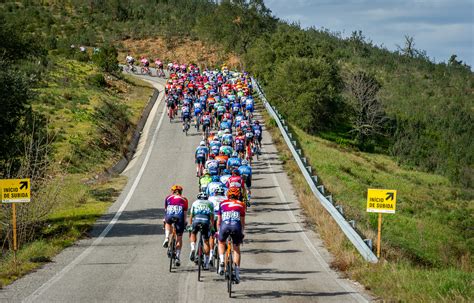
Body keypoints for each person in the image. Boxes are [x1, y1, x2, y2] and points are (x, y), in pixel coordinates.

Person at [217, 188, 246, 283]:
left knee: (221, 242)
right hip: (236, 227)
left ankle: (221, 261)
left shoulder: (222, 203)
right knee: (236, 249)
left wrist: (218, 230)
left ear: (228, 195)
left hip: (224, 227)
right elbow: (242, 222)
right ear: (238, 196)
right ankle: (237, 274)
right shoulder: (241, 204)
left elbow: (219, 220)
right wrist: (242, 232)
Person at [163, 185, 189, 267]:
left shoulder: (168, 197)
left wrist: (165, 219)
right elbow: (185, 213)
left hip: (170, 215)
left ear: (172, 191)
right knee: (179, 237)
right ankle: (177, 257)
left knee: (167, 223)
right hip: (179, 217)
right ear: (181, 192)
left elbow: (166, 210)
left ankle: (167, 238)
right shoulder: (184, 199)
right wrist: (185, 222)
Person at [188, 192, 214, 269]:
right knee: (206, 241)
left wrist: (190, 226)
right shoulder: (210, 203)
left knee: (193, 233)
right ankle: (206, 263)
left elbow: (191, 215)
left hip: (196, 220)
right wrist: (212, 227)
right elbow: (212, 217)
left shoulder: (195, 203)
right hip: (206, 221)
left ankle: (193, 248)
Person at [208, 187, 226, 266]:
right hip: (222, 218)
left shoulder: (211, 198)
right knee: (223, 238)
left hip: (213, 217)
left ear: (215, 193)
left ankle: (211, 255)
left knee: (212, 235)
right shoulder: (226, 198)